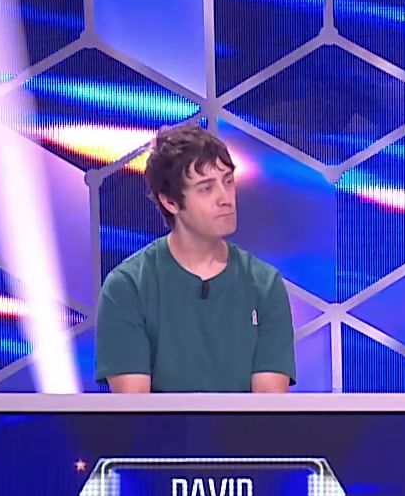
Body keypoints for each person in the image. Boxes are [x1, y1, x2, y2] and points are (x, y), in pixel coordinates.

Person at [94, 123, 295, 392]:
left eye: (228, 181)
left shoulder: (265, 285)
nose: (225, 199)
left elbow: (269, 406)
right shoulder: (128, 287)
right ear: (170, 202)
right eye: (206, 188)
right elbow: (135, 409)